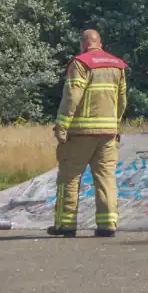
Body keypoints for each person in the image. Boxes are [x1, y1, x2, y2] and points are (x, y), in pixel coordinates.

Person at [49, 29, 128, 237]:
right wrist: (115, 125)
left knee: (70, 178)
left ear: (83, 44)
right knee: (106, 179)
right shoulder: (117, 65)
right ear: (99, 43)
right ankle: (108, 224)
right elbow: (122, 101)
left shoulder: (81, 63)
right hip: (108, 134)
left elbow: (72, 96)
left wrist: (62, 126)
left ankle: (66, 225)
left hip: (81, 134)